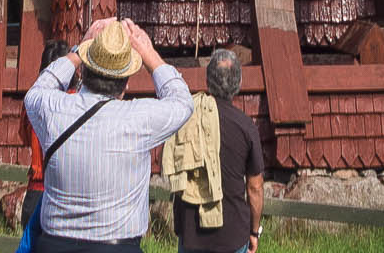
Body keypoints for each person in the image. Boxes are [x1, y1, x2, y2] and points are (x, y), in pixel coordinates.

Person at [24, 18, 192, 253]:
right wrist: (148, 52)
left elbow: (40, 88)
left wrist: (78, 50)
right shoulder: (136, 119)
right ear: (126, 82)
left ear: (83, 70)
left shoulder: (54, 109)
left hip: (54, 245)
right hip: (117, 248)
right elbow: (183, 102)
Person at [171, 51, 263, 253]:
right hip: (232, 236)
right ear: (238, 83)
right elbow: (255, 188)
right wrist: (254, 231)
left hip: (191, 232)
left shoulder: (187, 119)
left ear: (207, 80)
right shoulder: (246, 127)